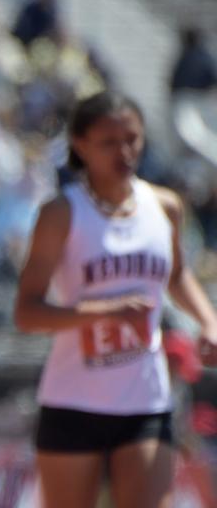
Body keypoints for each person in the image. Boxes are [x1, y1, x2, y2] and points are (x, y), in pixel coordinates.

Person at [14, 91, 217, 508]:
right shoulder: (61, 214)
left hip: (145, 397)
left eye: (133, 139)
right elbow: (27, 312)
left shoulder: (165, 206)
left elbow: (177, 275)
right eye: (109, 142)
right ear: (80, 145)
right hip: (73, 399)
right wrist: (108, 312)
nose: (124, 151)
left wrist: (209, 321)